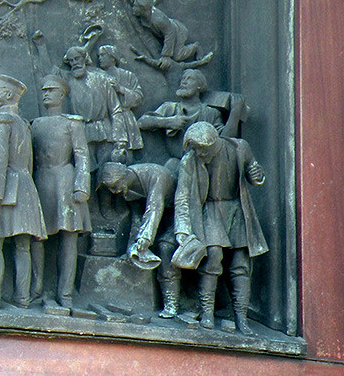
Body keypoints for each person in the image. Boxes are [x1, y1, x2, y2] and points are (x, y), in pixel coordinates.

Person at [173, 121, 267, 334]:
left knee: (241, 263)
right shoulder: (190, 160)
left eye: (200, 149)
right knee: (213, 257)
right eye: (194, 149)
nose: (197, 153)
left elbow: (254, 170)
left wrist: (257, 175)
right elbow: (182, 197)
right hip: (211, 211)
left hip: (237, 210)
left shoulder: (239, 148)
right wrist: (182, 230)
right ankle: (207, 312)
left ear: (213, 144)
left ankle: (241, 317)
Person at [0, 74, 47, 311]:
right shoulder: (22, 122)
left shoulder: (1, 120)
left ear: (8, 94)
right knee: (22, 245)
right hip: (25, 186)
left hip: (5, 187)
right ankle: (22, 298)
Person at [28, 75, 90, 311]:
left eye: (51, 90)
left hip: (65, 181)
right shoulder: (35, 124)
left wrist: (81, 185)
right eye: (43, 90)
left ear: (62, 95)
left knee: (68, 238)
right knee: (36, 236)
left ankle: (65, 293)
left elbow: (82, 156)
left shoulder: (72, 123)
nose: (46, 94)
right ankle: (36, 289)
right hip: (41, 180)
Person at [99, 160, 181, 319]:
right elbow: (137, 217)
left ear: (124, 177)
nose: (114, 191)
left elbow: (154, 207)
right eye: (110, 188)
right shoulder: (128, 186)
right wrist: (133, 245)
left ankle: (172, 304)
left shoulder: (156, 175)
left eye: (115, 186)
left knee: (165, 248)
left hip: (177, 215)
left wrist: (145, 238)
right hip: (159, 217)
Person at [138, 69, 224, 161]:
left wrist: (235, 112)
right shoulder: (169, 107)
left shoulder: (211, 113)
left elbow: (224, 140)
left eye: (189, 79)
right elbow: (141, 122)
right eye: (183, 79)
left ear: (199, 86)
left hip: (204, 162)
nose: (184, 82)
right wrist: (168, 122)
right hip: (176, 162)